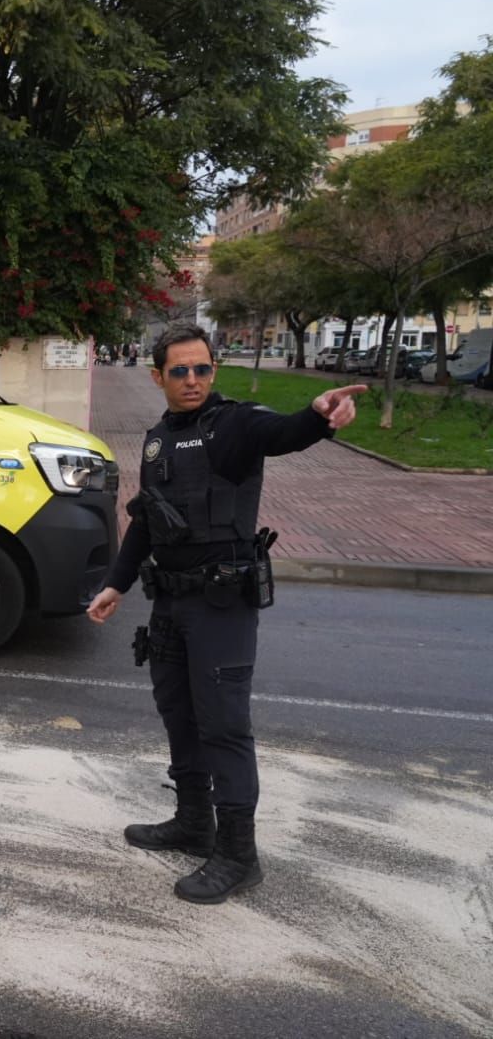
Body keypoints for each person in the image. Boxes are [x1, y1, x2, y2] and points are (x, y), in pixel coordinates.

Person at [86, 324, 365, 904]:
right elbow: (145, 520)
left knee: (224, 727)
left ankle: (239, 855)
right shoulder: (160, 437)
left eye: (203, 369)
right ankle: (194, 824)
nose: (193, 381)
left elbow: (282, 432)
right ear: (158, 376)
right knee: (179, 714)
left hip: (222, 605)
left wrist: (317, 417)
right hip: (171, 603)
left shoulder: (235, 425)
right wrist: (115, 584)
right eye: (181, 371)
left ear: (214, 371)